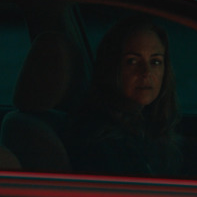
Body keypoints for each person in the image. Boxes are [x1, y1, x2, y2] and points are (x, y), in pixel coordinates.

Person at [67, 16, 181, 177]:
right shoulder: (100, 143)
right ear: (112, 67)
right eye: (132, 61)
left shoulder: (148, 127)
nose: (146, 73)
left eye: (155, 62)